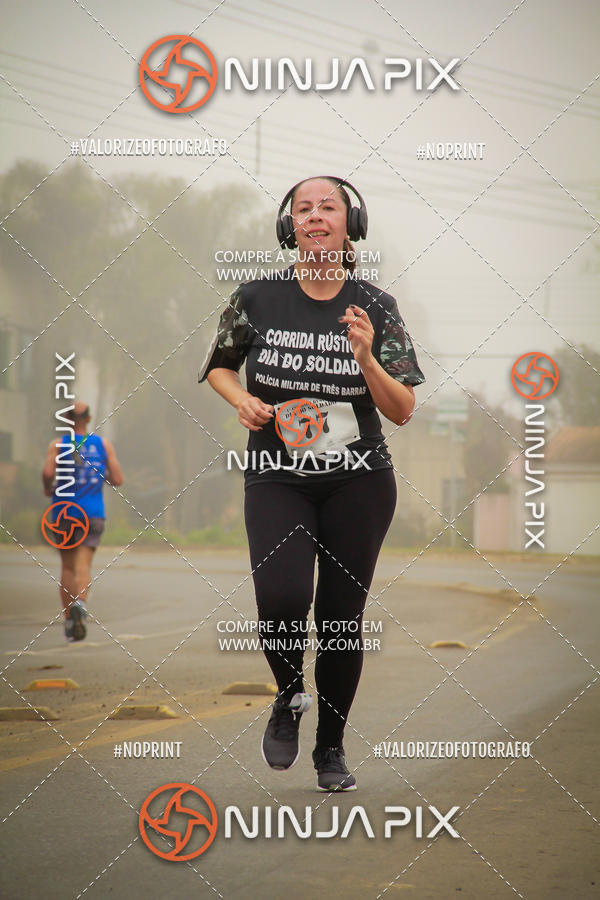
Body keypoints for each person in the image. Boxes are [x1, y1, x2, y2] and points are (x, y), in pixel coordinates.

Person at [200, 176, 425, 791]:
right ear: (289, 226)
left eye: (329, 207)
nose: (316, 215)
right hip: (278, 476)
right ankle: (288, 695)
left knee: (340, 619)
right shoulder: (256, 297)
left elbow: (403, 409)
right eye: (305, 208)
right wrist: (241, 399)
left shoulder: (375, 306)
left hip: (359, 481)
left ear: (352, 224)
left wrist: (367, 358)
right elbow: (220, 367)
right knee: (281, 597)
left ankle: (331, 746)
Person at [42, 402, 123, 641]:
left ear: (67, 418)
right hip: (92, 513)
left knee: (67, 567)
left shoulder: (58, 445)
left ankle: (70, 621)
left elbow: (48, 473)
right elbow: (118, 479)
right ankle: (81, 605)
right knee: (83, 566)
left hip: (64, 513)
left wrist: (48, 488)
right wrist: (100, 477)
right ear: (88, 419)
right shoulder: (103, 445)